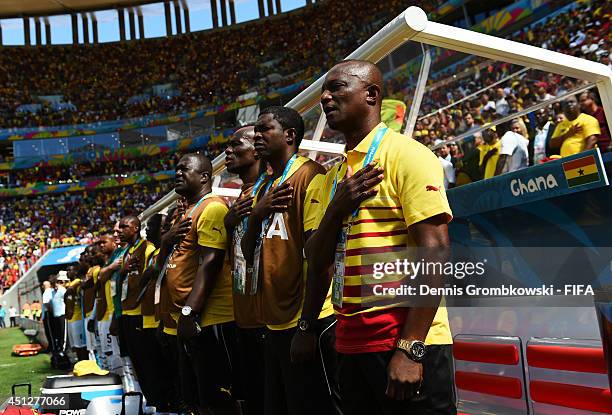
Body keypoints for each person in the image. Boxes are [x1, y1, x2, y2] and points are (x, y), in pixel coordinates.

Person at [297, 60, 455, 415]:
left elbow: (436, 250)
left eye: (336, 87)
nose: (325, 97)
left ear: (371, 94)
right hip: (349, 343)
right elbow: (316, 258)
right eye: (325, 89)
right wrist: (336, 209)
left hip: (403, 343)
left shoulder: (407, 155)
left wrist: (411, 347)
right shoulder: (329, 179)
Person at [241, 106, 340, 415]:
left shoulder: (310, 175)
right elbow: (247, 253)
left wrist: (307, 326)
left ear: (289, 135)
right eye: (255, 131)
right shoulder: (265, 188)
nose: (256, 136)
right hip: (275, 321)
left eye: (264, 129)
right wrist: (256, 216)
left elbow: (320, 255)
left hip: (306, 317)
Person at [162, 153, 238, 415]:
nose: (177, 173)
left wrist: (188, 312)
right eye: (176, 168)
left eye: (185, 169)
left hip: (212, 319)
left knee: (219, 399)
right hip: (194, 321)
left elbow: (211, 263)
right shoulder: (190, 210)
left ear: (205, 176)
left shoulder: (212, 208)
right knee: (200, 399)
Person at [224, 125, 266, 415]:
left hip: (269, 318)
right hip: (244, 314)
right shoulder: (240, 197)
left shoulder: (271, 188)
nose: (228, 151)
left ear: (256, 148)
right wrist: (229, 224)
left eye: (235, 144)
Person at [117, 215, 156, 399]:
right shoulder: (127, 252)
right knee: (137, 362)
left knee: (149, 361)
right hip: (127, 311)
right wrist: (123, 271)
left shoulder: (147, 248)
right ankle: (149, 400)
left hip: (141, 313)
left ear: (135, 228)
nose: (120, 231)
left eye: (124, 227)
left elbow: (151, 279)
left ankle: (161, 403)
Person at [51, 272, 69, 355]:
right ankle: (60, 348)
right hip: (56, 316)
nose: (54, 285)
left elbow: (67, 300)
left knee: (63, 333)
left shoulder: (62, 290)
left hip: (62, 314)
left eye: (55, 283)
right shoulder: (52, 292)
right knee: (58, 333)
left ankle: (64, 349)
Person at [41, 280, 54, 352]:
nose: (42, 287)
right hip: (48, 313)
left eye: (43, 285)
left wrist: (51, 311)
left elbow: (47, 303)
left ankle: (52, 346)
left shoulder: (47, 292)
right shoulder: (50, 291)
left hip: (48, 314)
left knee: (49, 332)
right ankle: (52, 346)